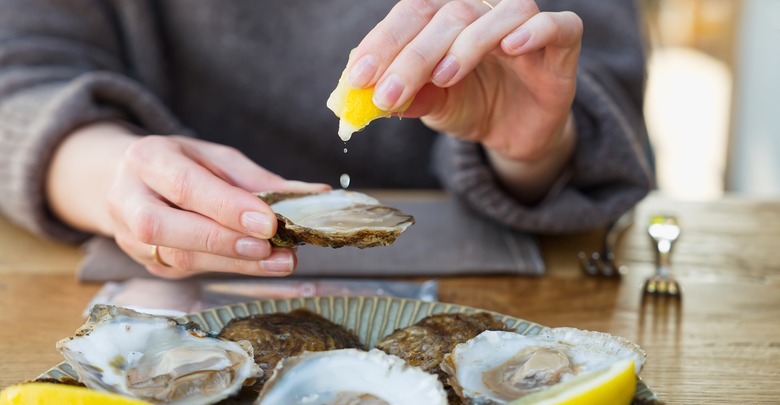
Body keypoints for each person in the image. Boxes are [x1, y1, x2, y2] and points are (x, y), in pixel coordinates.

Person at [0, 0, 654, 279]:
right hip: (152, 288)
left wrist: (532, 147)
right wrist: (112, 170)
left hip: (495, 276)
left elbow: (592, 61)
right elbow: (19, 68)